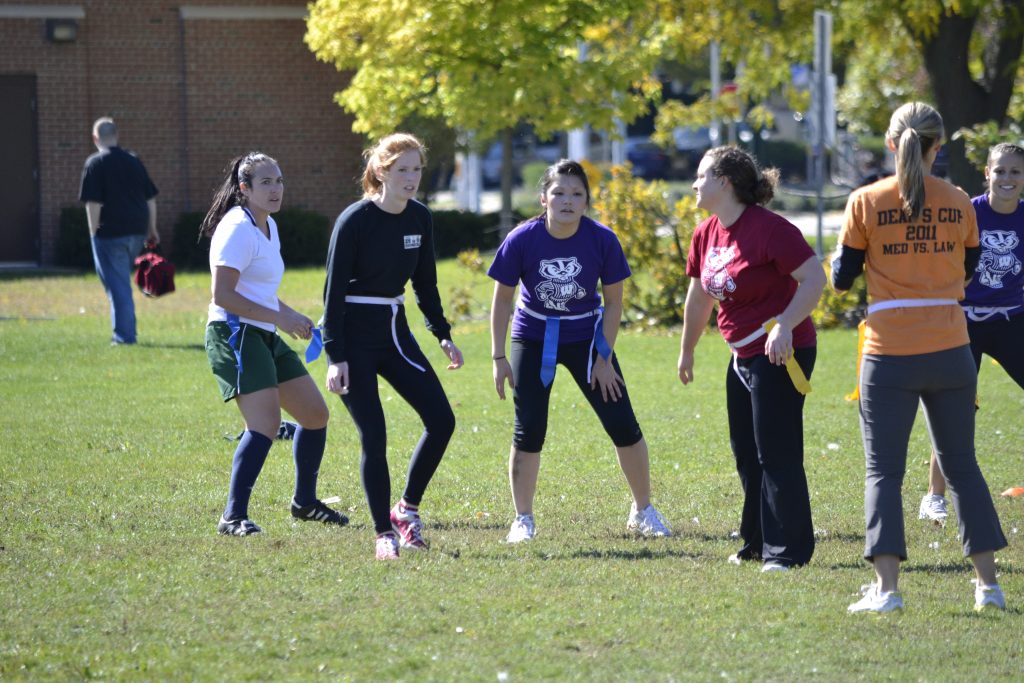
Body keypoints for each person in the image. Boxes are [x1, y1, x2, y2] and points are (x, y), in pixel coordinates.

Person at [833, 102, 1008, 613]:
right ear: (938, 145)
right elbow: (970, 268)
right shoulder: (960, 200)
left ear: (892, 143)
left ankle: (887, 592)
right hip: (953, 348)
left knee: (883, 471)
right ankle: (988, 588)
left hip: (889, 353)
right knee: (963, 469)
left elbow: (842, 279)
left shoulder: (865, 200)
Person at [488, 159, 672, 543]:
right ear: (543, 199)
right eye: (558, 193)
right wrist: (499, 357)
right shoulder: (522, 239)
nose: (567, 201)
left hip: (587, 337)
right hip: (533, 336)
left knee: (622, 421)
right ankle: (523, 519)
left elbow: (615, 303)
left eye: (576, 194)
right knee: (529, 429)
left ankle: (644, 510)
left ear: (587, 202)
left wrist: (603, 358)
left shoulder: (602, 239)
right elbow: (502, 301)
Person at [677, 146, 825, 572]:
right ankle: (757, 542)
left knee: (776, 452)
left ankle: (788, 551)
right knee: (747, 453)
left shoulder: (769, 229)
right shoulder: (706, 232)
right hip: (741, 353)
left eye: (701, 175)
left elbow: (813, 277)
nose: (694, 183)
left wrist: (784, 326)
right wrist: (687, 349)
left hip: (781, 351)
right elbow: (701, 294)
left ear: (724, 182)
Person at [322, 133, 463, 560]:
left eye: (417, 168)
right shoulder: (354, 220)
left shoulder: (419, 218)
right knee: (375, 435)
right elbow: (331, 293)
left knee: (442, 420)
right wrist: (334, 356)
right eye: (403, 169)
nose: (412, 177)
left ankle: (406, 509)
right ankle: (384, 533)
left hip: (395, 334)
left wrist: (442, 334)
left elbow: (425, 284)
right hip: (353, 338)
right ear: (381, 171)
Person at [202, 152, 347, 536]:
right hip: (234, 334)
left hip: (262, 331)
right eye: (266, 182)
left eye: (279, 181)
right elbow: (223, 296)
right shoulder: (236, 228)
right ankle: (232, 516)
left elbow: (261, 292)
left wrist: (291, 316)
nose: (276, 189)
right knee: (264, 425)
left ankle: (305, 504)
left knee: (315, 416)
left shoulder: (269, 226)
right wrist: (279, 318)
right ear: (243, 189)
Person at [918, 142, 1024, 524]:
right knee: (955, 406)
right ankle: (934, 496)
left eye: (1015, 172)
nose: (1007, 179)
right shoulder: (968, 211)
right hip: (963, 321)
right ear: (987, 173)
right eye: (1000, 171)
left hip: (1012, 319)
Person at [78, 117, 160, 345]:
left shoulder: (95, 163)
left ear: (95, 138)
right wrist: (152, 228)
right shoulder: (134, 161)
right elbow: (150, 198)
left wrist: (93, 232)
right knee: (119, 282)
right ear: (117, 135)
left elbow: (93, 203)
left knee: (117, 284)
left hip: (109, 233)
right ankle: (124, 331)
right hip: (137, 230)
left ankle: (124, 337)